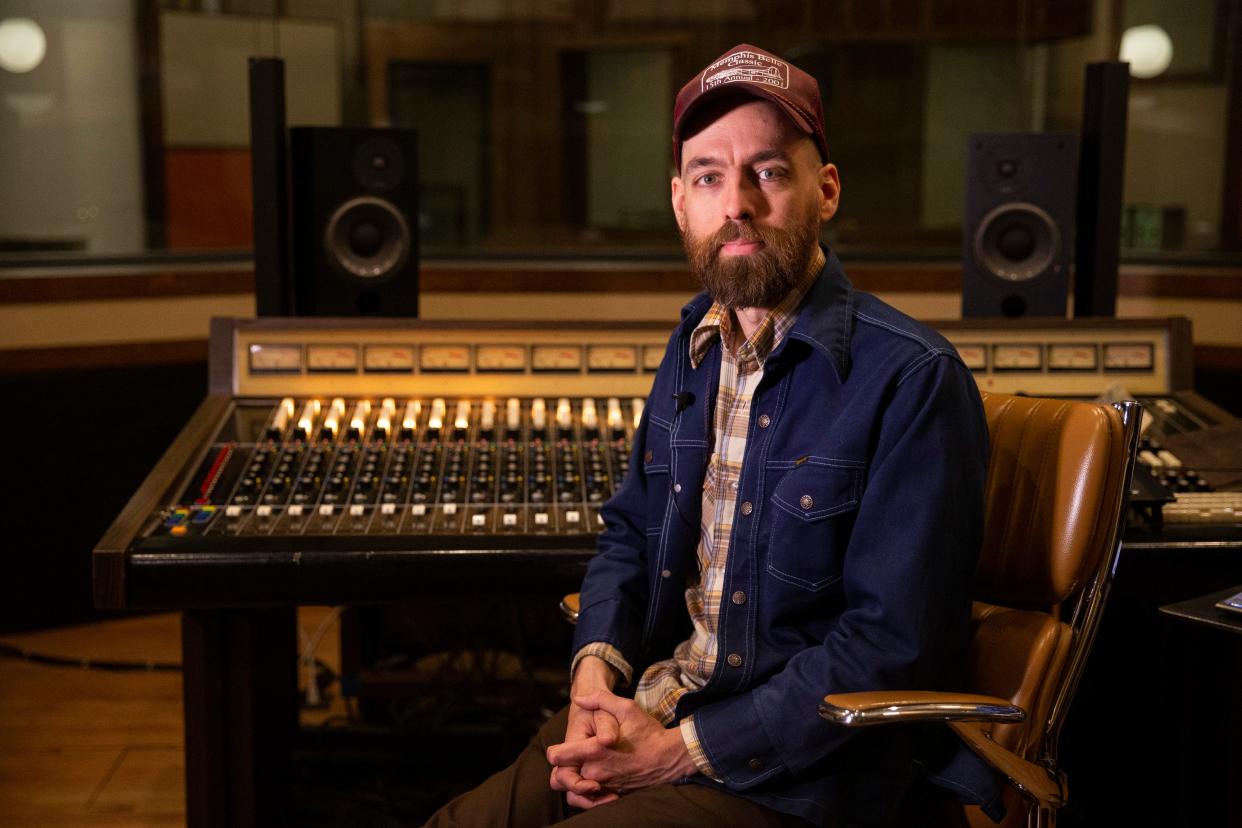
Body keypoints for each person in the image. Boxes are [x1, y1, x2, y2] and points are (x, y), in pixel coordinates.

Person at [422, 43, 1002, 827]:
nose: (738, 203)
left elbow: (888, 645)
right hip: (660, 708)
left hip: (804, 779)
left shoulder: (912, 379)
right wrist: (595, 681)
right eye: (708, 176)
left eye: (768, 171)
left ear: (824, 190)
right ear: (678, 202)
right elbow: (631, 535)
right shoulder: (695, 345)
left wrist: (676, 751)